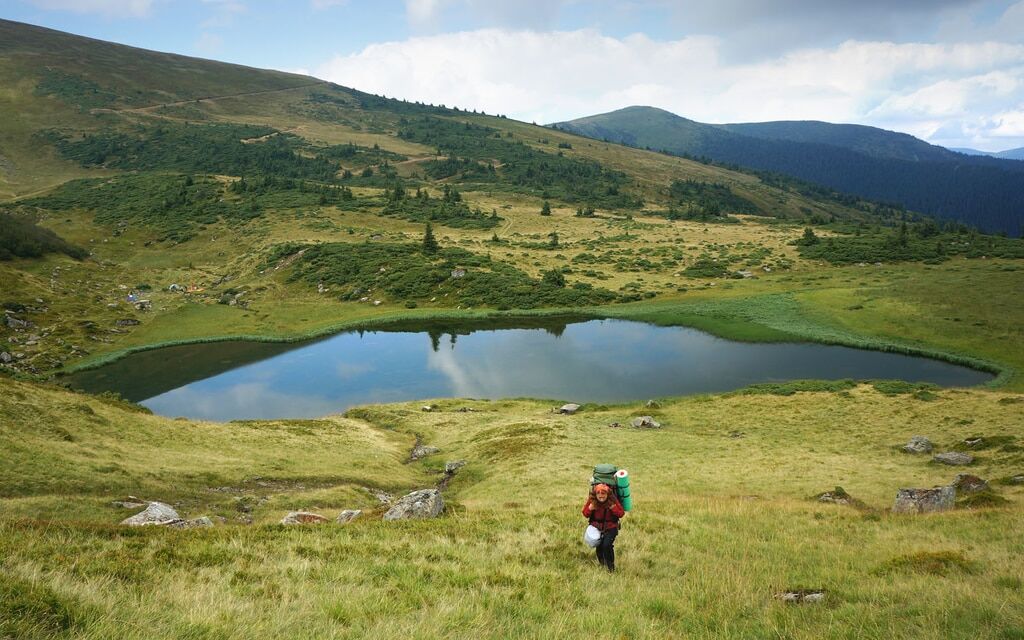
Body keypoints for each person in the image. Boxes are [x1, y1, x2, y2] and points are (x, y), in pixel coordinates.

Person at [582, 483, 625, 572]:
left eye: (603, 493)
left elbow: (621, 514)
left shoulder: (612, 500)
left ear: (607, 494)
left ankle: (611, 568)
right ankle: (602, 565)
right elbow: (585, 513)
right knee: (599, 547)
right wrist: (590, 508)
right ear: (595, 494)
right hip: (597, 527)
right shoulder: (592, 500)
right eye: (599, 493)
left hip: (611, 527)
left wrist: (613, 508)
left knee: (606, 545)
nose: (601, 496)